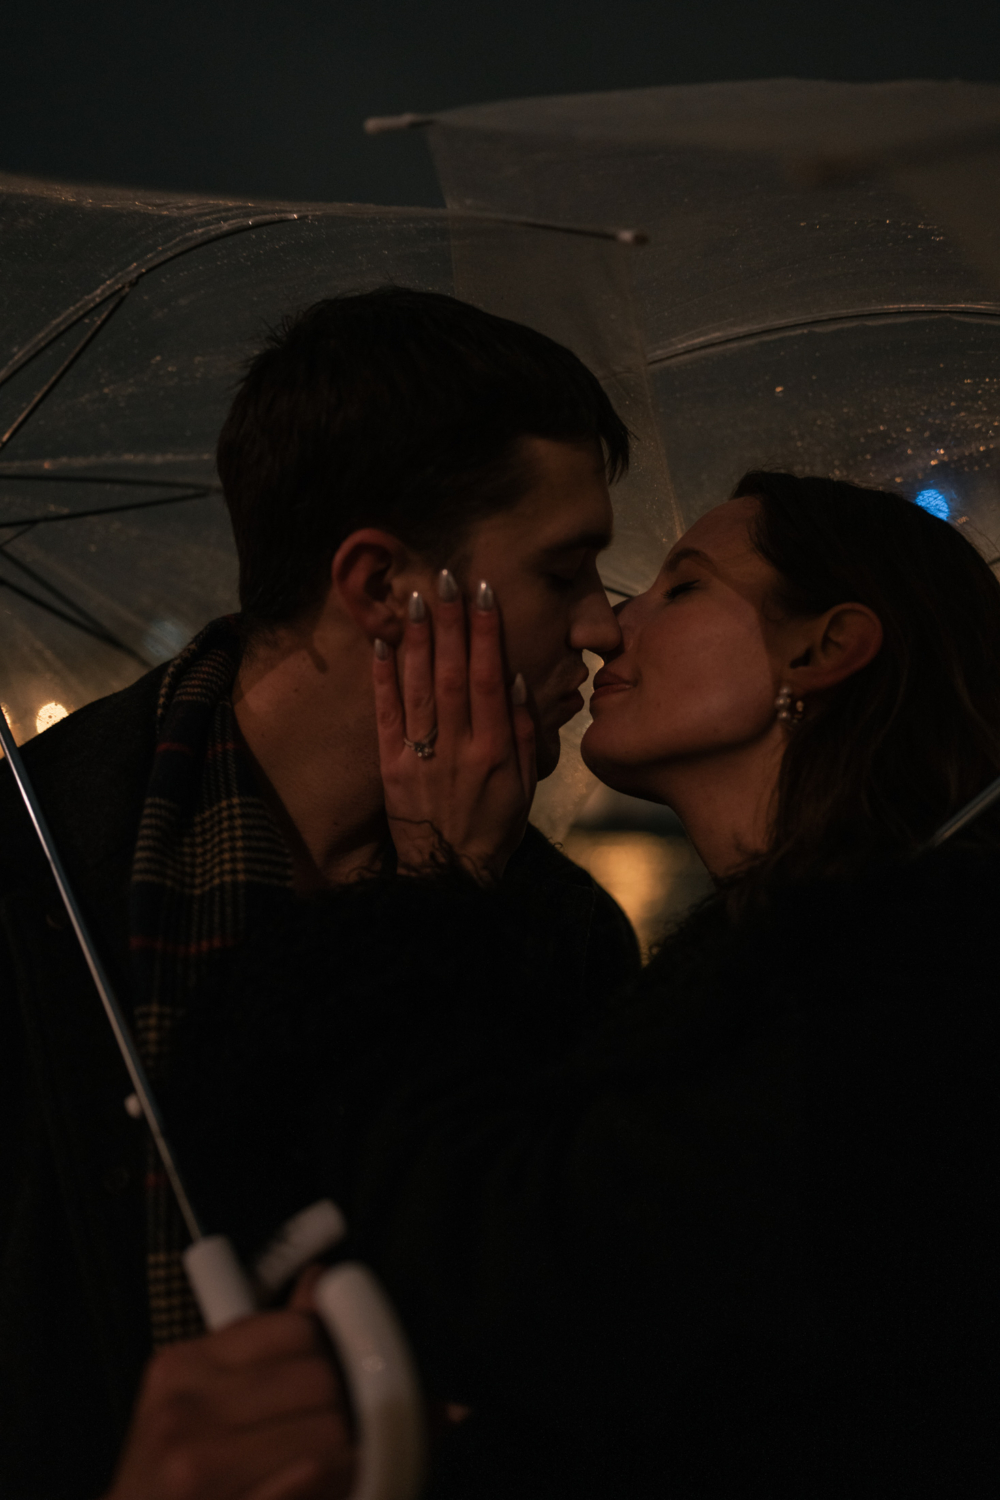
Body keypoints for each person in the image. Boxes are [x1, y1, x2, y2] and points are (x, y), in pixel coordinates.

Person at [193, 472, 1000, 1497]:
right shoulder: (802, 963)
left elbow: (532, 1288)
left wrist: (437, 878)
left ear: (823, 647)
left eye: (683, 587)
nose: (611, 630)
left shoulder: (918, 979)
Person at [0, 288, 642, 1499]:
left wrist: (456, 912)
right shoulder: (40, 874)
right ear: (378, 583)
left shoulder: (556, 935)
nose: (606, 625)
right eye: (566, 571)